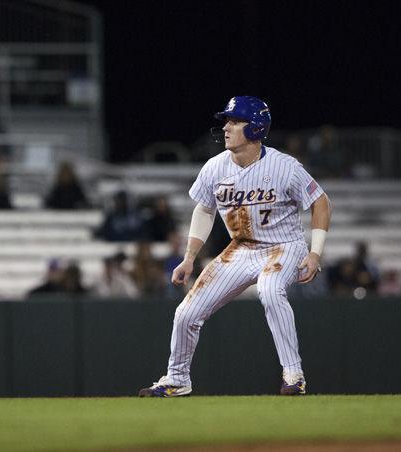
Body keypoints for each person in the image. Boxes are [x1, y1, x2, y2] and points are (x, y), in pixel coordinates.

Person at [138, 96, 332, 397]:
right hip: (242, 248)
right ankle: (177, 379)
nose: (226, 127)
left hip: (285, 244)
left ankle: (294, 374)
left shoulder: (284, 166)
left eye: (234, 121)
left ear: (255, 128)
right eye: (227, 121)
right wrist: (189, 257)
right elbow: (204, 209)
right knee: (186, 312)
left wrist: (315, 252)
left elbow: (320, 202)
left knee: (270, 289)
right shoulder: (215, 167)